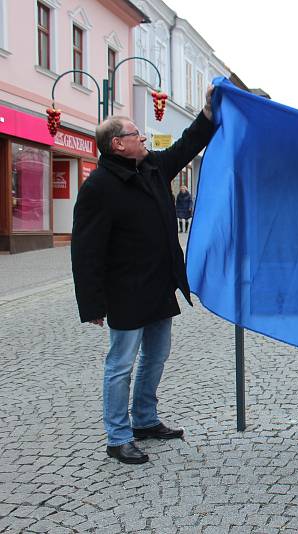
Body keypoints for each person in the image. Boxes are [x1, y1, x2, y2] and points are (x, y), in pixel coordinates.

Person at [71, 85, 216, 464]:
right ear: (118, 144)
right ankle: (118, 437)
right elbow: (85, 249)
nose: (144, 139)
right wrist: (92, 303)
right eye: (137, 134)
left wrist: (207, 114)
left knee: (156, 356)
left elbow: (185, 147)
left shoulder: (152, 168)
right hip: (124, 291)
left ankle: (145, 420)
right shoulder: (98, 187)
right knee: (121, 364)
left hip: (157, 284)